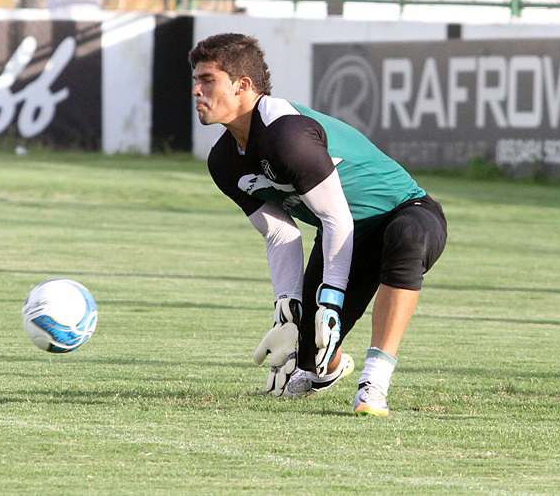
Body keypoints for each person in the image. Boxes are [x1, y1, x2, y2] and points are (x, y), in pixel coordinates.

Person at [188, 33, 447, 416]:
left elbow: (334, 216)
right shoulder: (223, 162)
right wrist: (287, 311)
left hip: (405, 213)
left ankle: (374, 382)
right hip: (346, 237)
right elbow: (279, 233)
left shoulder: (285, 134)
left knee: (405, 237)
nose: (196, 90)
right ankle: (324, 370)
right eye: (196, 80)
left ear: (242, 85)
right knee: (311, 352)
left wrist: (331, 301)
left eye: (208, 80)